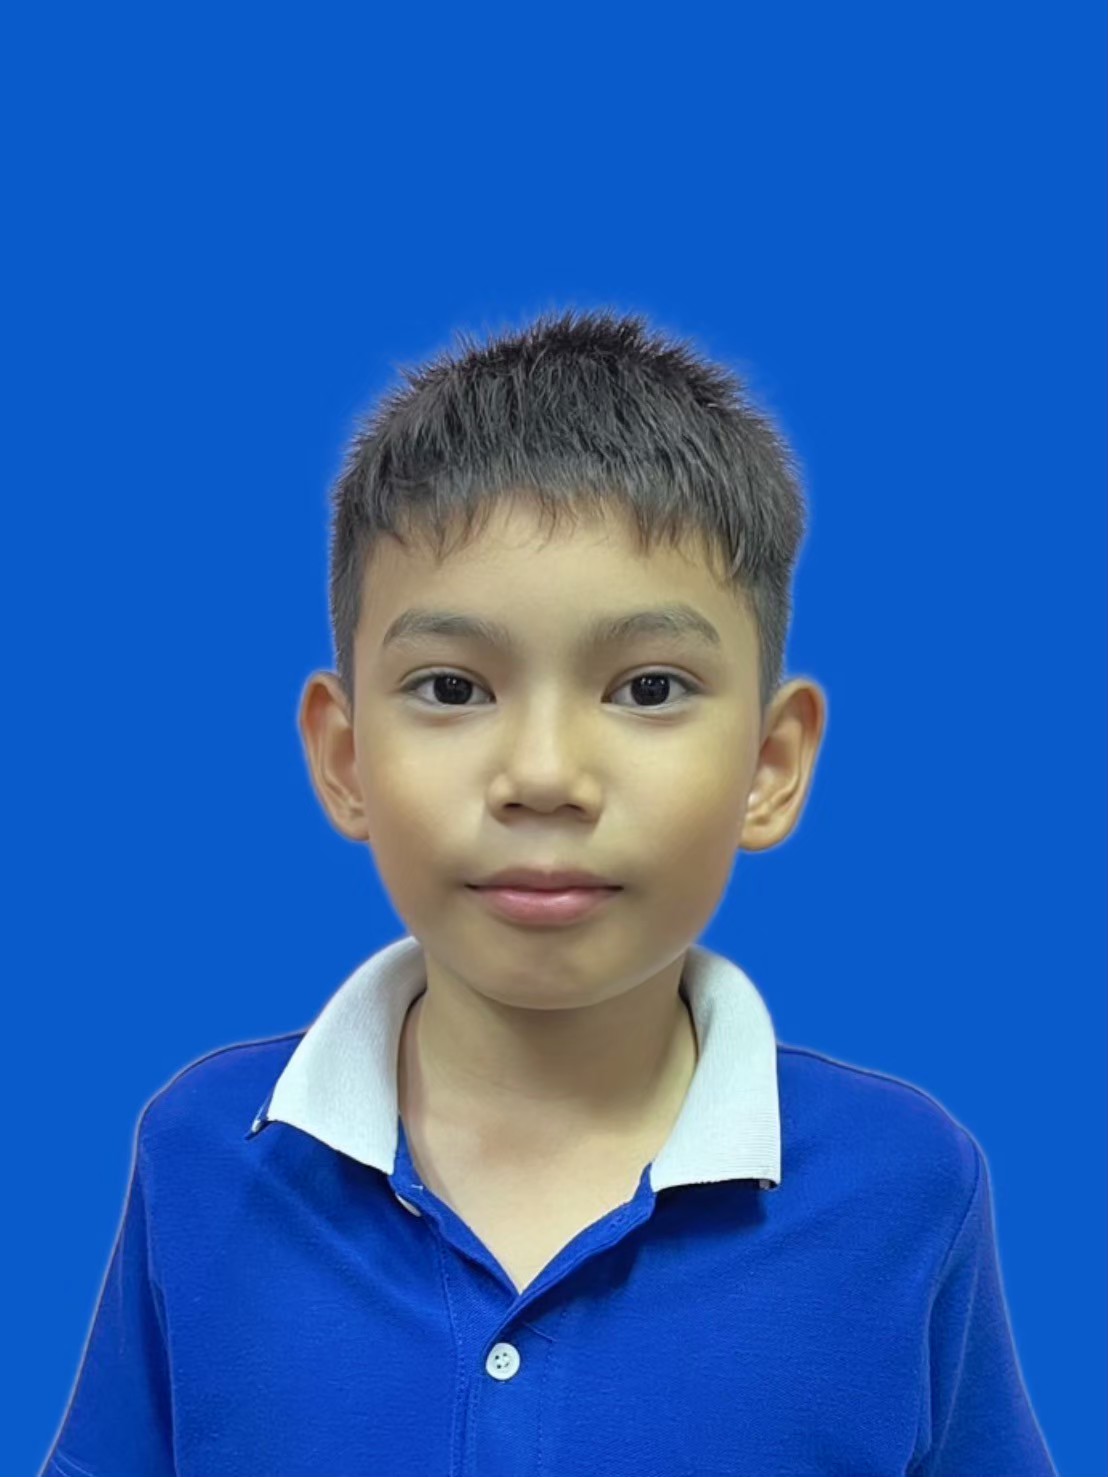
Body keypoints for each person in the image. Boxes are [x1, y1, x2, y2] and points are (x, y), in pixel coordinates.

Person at [39, 308, 1057, 1476]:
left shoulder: (904, 1186)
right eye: (452, 687)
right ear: (345, 757)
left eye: (649, 687)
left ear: (771, 765)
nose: (543, 776)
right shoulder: (205, 1155)